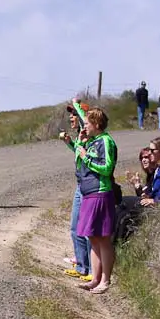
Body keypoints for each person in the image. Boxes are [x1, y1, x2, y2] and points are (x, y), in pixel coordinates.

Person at [71, 107, 118, 294]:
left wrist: (86, 157)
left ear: (97, 124)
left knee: (103, 238)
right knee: (92, 236)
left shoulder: (105, 141)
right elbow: (80, 163)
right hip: (89, 192)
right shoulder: (93, 141)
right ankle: (95, 277)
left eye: (88, 123)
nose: (85, 127)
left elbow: (107, 168)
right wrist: (79, 145)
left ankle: (105, 280)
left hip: (100, 192)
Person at [60, 101, 91, 280]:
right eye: (70, 115)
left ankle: (90, 269)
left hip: (88, 186)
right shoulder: (80, 135)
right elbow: (79, 153)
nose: (71, 118)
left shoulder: (89, 134)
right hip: (80, 185)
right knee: (75, 227)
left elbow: (81, 116)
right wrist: (70, 144)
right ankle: (81, 266)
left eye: (74, 115)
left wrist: (75, 103)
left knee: (86, 229)